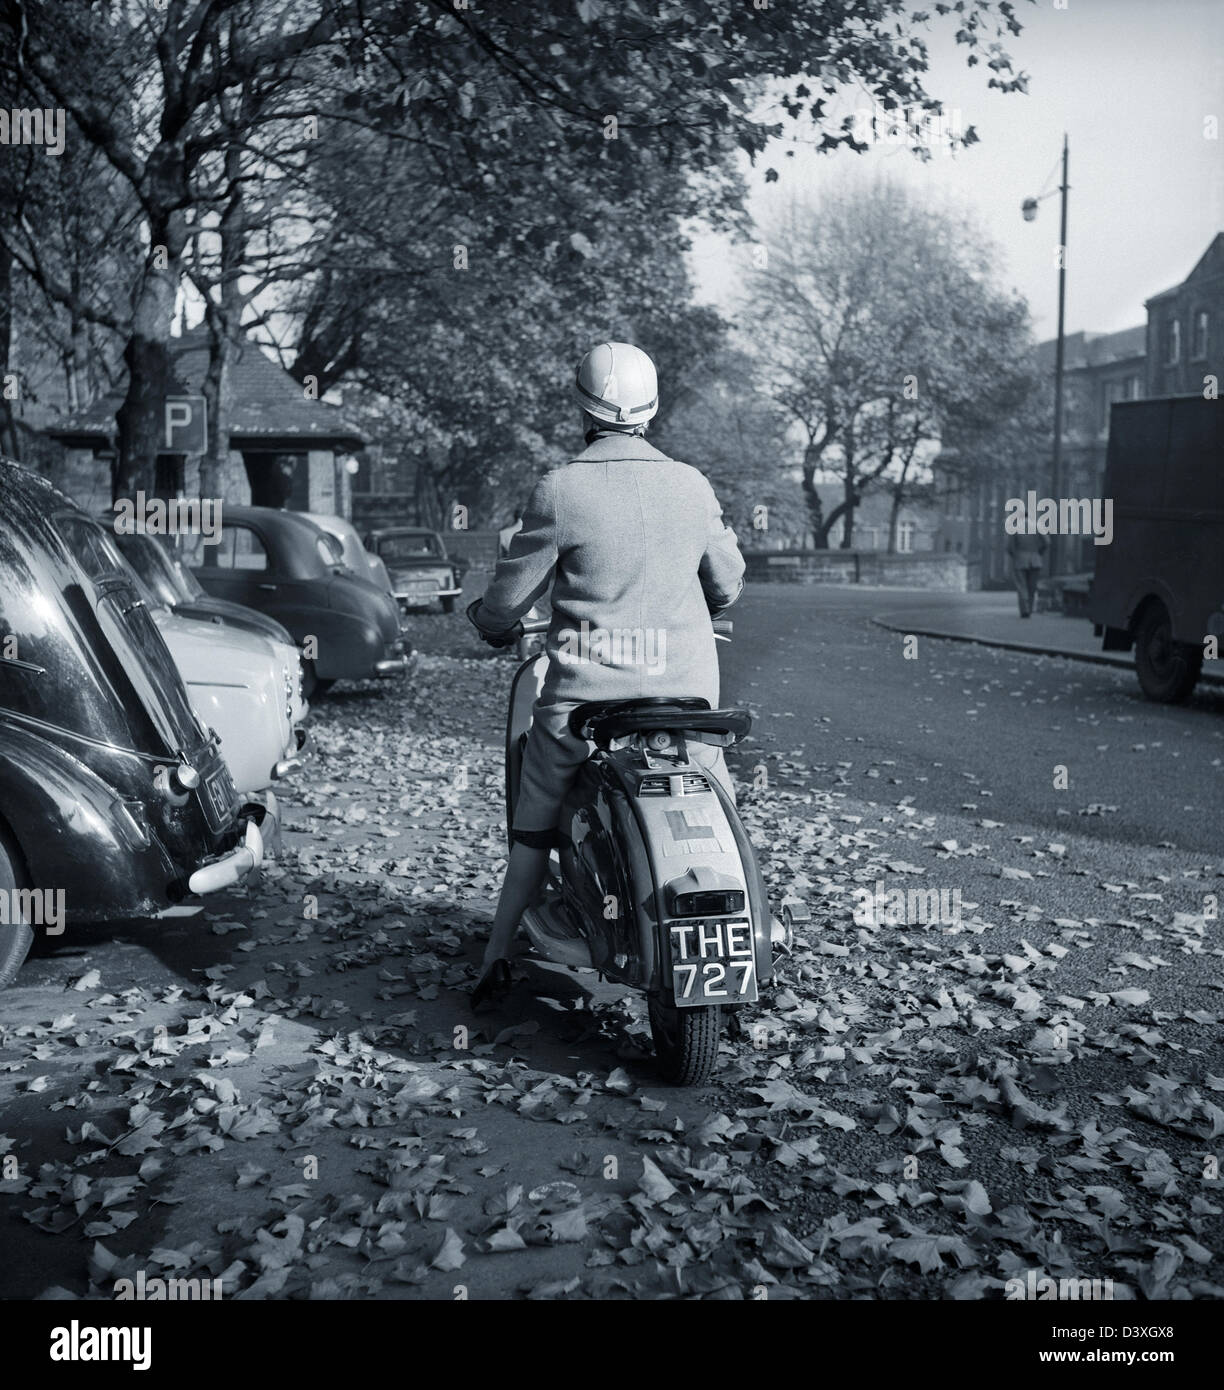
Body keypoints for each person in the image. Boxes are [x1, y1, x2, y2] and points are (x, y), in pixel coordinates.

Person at [466, 341, 746, 1009]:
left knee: (534, 819)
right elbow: (728, 585)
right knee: (719, 803)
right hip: (684, 703)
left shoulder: (560, 489)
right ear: (652, 408)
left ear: (583, 406)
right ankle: (738, 919)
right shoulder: (691, 484)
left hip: (587, 706)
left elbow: (509, 601)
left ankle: (499, 951)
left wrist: (490, 619)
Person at [1006, 528, 1047, 618]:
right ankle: (1030, 609)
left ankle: (1025, 609)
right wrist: (1039, 553)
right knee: (1032, 587)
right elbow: (1047, 542)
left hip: (1020, 559)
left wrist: (1015, 555)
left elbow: (1009, 547)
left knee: (1022, 586)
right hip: (1035, 559)